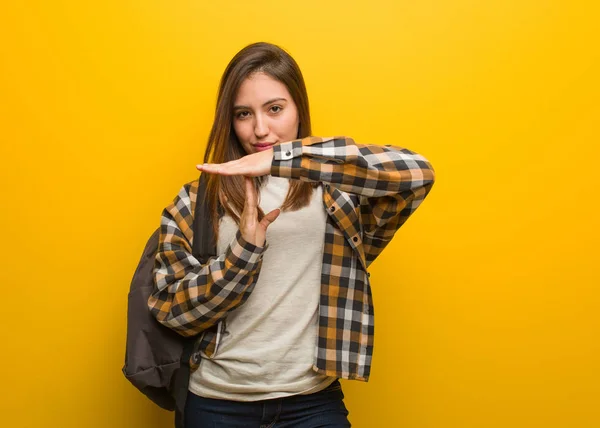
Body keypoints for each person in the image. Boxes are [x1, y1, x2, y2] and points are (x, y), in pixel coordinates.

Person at [148, 42, 436, 427]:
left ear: (299, 108)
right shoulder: (198, 201)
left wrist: (284, 159)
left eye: (275, 109)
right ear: (229, 120)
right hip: (218, 404)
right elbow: (172, 311)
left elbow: (418, 173)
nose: (260, 129)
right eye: (243, 114)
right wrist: (244, 252)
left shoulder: (339, 196)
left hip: (312, 403)